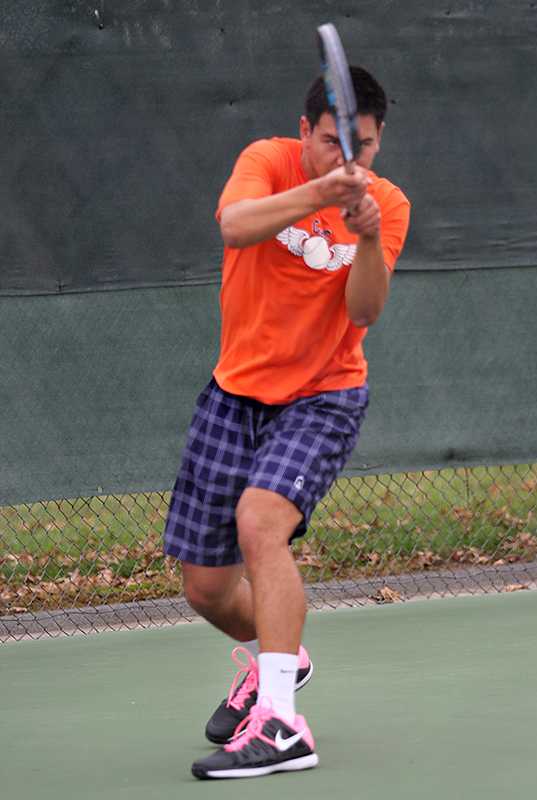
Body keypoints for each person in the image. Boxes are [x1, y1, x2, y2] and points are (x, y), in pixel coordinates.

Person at [163, 65, 410, 780]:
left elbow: (364, 312)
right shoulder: (268, 161)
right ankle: (284, 657)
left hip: (324, 395)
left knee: (259, 524)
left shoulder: (387, 203)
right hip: (235, 392)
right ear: (305, 131)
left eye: (360, 147)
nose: (346, 159)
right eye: (331, 143)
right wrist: (320, 192)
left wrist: (364, 236)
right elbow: (235, 225)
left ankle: (281, 725)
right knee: (206, 589)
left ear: (379, 139)